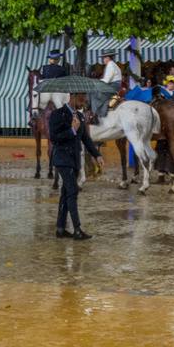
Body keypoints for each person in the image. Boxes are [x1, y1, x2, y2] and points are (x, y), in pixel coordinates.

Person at [49, 92, 101, 241]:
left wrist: (97, 155)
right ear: (72, 96)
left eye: (85, 98)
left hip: (75, 160)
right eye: (81, 98)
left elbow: (86, 139)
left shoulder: (80, 116)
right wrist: (71, 130)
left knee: (66, 194)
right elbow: (54, 137)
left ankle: (60, 228)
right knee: (73, 191)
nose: (84, 101)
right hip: (62, 159)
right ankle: (77, 229)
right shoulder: (57, 114)